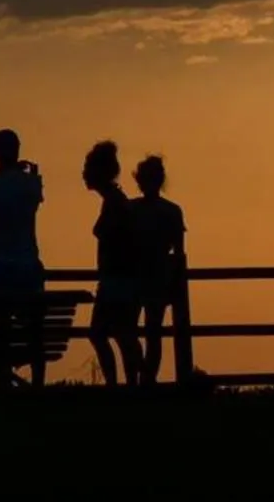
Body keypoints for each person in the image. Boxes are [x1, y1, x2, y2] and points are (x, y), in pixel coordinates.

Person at [0, 128, 46, 388]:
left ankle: (1, 378)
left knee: (0, 330)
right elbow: (36, 202)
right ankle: (37, 383)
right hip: (27, 264)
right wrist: (34, 175)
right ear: (18, 150)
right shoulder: (31, 184)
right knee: (35, 331)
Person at [83, 140, 145, 387]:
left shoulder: (115, 202)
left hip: (118, 279)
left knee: (107, 334)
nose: (84, 173)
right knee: (122, 334)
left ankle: (121, 384)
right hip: (119, 279)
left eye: (88, 167)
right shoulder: (116, 200)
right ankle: (130, 383)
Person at [129, 154, 191, 386]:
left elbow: (179, 252)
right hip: (150, 275)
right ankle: (145, 376)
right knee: (146, 331)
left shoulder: (135, 209)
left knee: (145, 331)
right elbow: (179, 252)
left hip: (147, 275)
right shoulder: (170, 210)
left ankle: (144, 377)